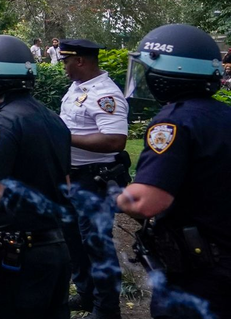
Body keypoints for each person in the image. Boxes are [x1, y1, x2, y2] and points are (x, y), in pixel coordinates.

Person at [116, 24, 231, 319]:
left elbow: (146, 202)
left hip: (200, 276)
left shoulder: (174, 120)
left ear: (167, 73)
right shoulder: (223, 115)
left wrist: (116, 196)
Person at [0, 35, 72, 319]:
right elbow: (66, 183)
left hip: (13, 258)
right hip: (54, 249)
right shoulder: (53, 119)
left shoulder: (0, 123)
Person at [57, 38, 129, 319]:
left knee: (96, 244)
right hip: (73, 177)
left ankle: (107, 308)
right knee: (74, 240)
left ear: (80, 61)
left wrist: (64, 137)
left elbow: (115, 140)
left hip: (95, 179)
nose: (63, 67)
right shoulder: (77, 87)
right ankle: (86, 294)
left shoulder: (105, 94)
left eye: (65, 61)